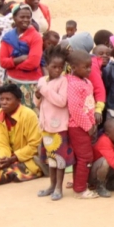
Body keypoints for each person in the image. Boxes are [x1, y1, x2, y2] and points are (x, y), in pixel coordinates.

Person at [35, 48, 72, 201]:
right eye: (54, 67)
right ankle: (51, 185)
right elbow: (37, 104)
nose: (57, 70)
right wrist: (37, 96)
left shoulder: (63, 81)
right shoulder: (42, 80)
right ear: (47, 66)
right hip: (46, 126)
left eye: (60, 67)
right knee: (51, 158)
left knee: (60, 159)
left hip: (59, 127)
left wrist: (44, 91)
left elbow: (62, 101)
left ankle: (58, 187)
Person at [66, 50, 98, 199]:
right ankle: (80, 189)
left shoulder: (87, 82)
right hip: (78, 127)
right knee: (85, 157)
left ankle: (77, 182)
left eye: (90, 67)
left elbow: (90, 105)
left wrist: (93, 123)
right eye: (85, 67)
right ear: (73, 66)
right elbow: (75, 109)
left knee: (80, 158)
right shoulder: (72, 84)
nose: (89, 70)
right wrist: (88, 126)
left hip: (87, 125)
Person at [0, 4, 43, 111]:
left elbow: (33, 63)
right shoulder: (8, 37)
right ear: (14, 18)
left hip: (31, 84)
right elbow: (2, 62)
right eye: (22, 17)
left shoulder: (36, 36)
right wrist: (19, 59)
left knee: (30, 118)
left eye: (28, 17)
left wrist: (13, 65)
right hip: (11, 83)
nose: (25, 20)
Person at [66, 32, 106, 126]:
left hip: (86, 115)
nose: (68, 49)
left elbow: (100, 89)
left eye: (71, 47)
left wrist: (98, 109)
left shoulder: (90, 68)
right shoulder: (75, 64)